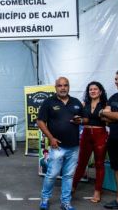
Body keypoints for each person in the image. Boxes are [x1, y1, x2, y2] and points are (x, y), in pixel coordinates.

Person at [37, 77, 83, 210]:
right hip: (57, 147)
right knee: (51, 175)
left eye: (65, 85)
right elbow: (40, 121)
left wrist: (80, 121)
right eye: (60, 85)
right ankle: (45, 199)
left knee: (68, 176)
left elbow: (83, 119)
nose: (63, 88)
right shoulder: (48, 102)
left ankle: (66, 202)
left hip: (74, 146)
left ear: (69, 86)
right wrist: (51, 138)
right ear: (55, 87)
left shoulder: (76, 102)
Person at [72, 81, 108, 203]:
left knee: (99, 164)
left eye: (95, 89)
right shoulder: (84, 104)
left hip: (100, 135)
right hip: (86, 135)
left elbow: (108, 120)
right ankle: (72, 188)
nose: (92, 91)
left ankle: (97, 191)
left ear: (100, 91)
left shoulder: (105, 104)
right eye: (90, 89)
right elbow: (79, 118)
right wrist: (77, 119)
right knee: (81, 163)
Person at [100, 68, 118, 209]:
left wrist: (115, 116)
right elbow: (104, 117)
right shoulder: (114, 97)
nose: (117, 82)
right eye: (116, 79)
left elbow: (115, 116)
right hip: (115, 139)